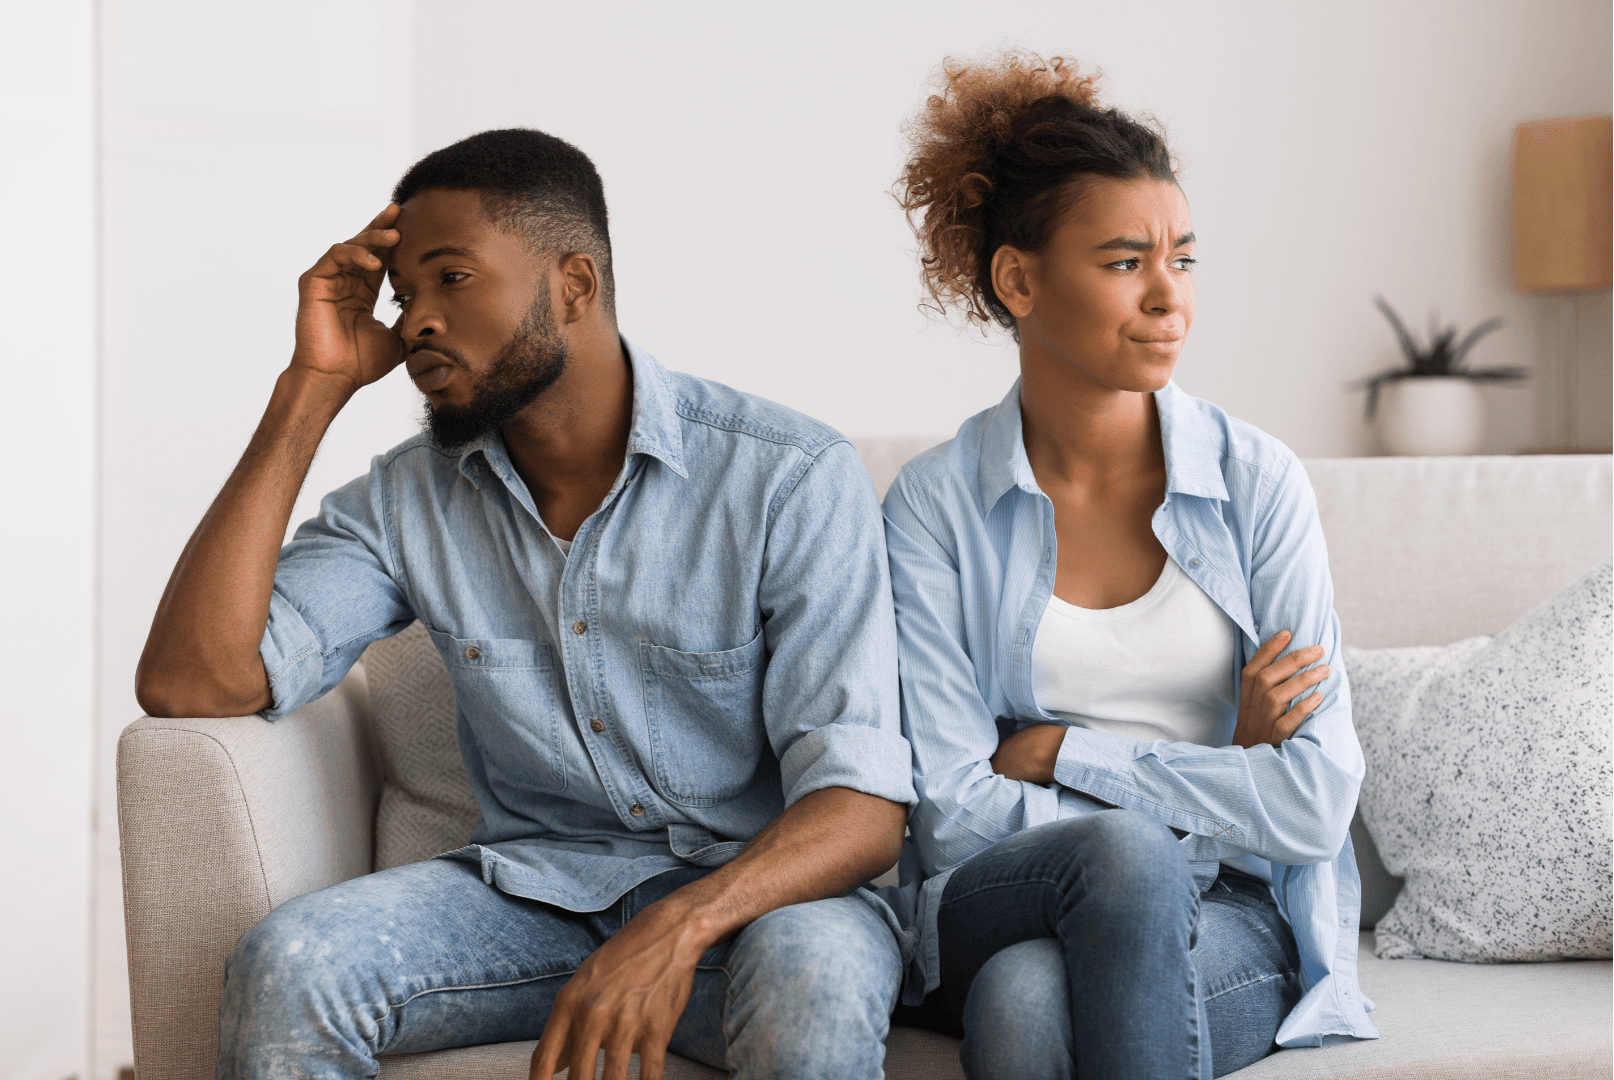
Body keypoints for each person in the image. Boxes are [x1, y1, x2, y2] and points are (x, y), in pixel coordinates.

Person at [134, 128, 917, 1080]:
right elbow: (191, 682)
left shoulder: (788, 477)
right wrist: (312, 388)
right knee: (291, 964)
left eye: (451, 279)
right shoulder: (403, 501)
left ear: (573, 286)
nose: (417, 320)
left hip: (760, 910)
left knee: (816, 980)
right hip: (526, 902)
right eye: (403, 296)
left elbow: (862, 806)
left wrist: (677, 925)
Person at [877, 53, 1380, 1079]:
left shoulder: (1259, 484)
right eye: (1123, 263)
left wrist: (1068, 751)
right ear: (1019, 279)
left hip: (1230, 914)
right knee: (1120, 856)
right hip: (1006, 893)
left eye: (1182, 261)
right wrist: (1226, 766)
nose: (1169, 298)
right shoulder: (934, 506)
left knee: (1025, 1007)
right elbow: (952, 813)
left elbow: (1317, 802)